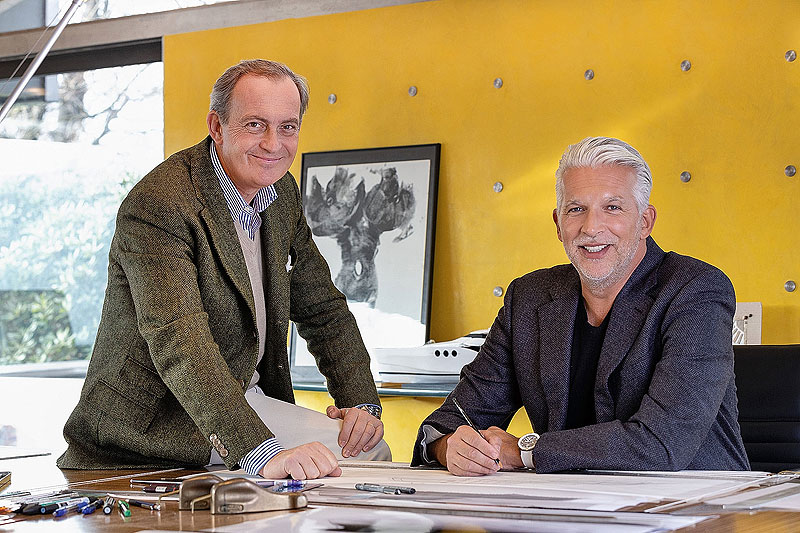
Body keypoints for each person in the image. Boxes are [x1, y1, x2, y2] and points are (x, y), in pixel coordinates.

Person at [58, 59, 389, 480]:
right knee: (347, 464)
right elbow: (180, 341)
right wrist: (262, 453)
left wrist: (360, 404)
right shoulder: (160, 203)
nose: (273, 144)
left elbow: (323, 308)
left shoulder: (280, 192)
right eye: (255, 125)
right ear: (217, 126)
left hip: (240, 400)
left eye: (288, 127)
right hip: (154, 422)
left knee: (368, 446)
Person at [412, 136, 749, 475]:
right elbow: (452, 420)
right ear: (558, 224)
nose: (591, 227)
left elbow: (663, 443)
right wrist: (450, 447)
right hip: (568, 501)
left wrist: (527, 451)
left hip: (692, 500)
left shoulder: (695, 290)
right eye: (576, 209)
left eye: (612, 207)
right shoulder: (528, 298)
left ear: (645, 222)